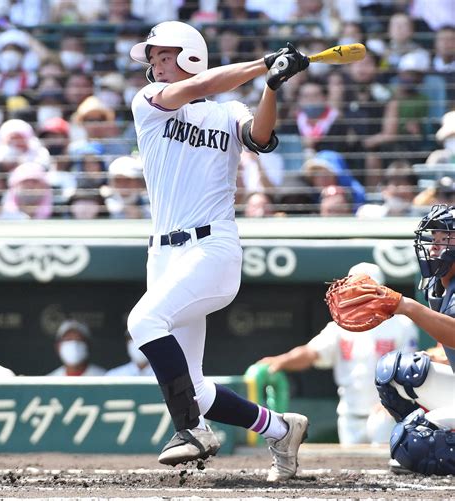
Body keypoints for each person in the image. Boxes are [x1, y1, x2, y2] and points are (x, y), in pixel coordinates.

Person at [126, 20, 310, 481]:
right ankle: (281, 429)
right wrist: (262, 63)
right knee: (197, 387)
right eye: (153, 58)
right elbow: (200, 85)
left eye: (164, 56)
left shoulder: (228, 111)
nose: (156, 65)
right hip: (163, 255)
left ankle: (191, 431)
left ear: (189, 54)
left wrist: (272, 84)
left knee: (143, 321)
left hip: (212, 246)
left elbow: (261, 139)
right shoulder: (147, 103)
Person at [257, 263, 418, 446]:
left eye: (364, 288)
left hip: (388, 414)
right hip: (349, 416)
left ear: (380, 291)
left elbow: (409, 370)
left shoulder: (402, 325)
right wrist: (282, 361)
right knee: (351, 471)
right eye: (354, 288)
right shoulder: (339, 327)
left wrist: (394, 401)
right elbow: (311, 353)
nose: (358, 294)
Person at [375, 204, 455, 475]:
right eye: (434, 238)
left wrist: (406, 306)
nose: (434, 246)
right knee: (396, 371)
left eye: (445, 239)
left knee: (414, 442)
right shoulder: (439, 285)